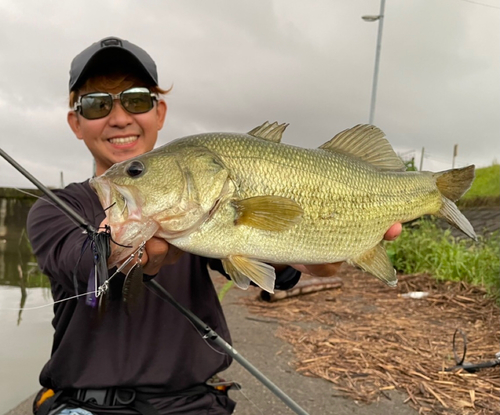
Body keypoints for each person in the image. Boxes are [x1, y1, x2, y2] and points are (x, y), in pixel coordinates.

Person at [27, 36, 402, 415]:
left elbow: (264, 262)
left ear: (159, 113)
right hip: (85, 407)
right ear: (76, 122)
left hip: (196, 404)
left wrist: (312, 255)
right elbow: (72, 260)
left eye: (137, 99)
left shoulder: (203, 205)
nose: (120, 117)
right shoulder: (57, 207)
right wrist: (115, 248)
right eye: (97, 104)